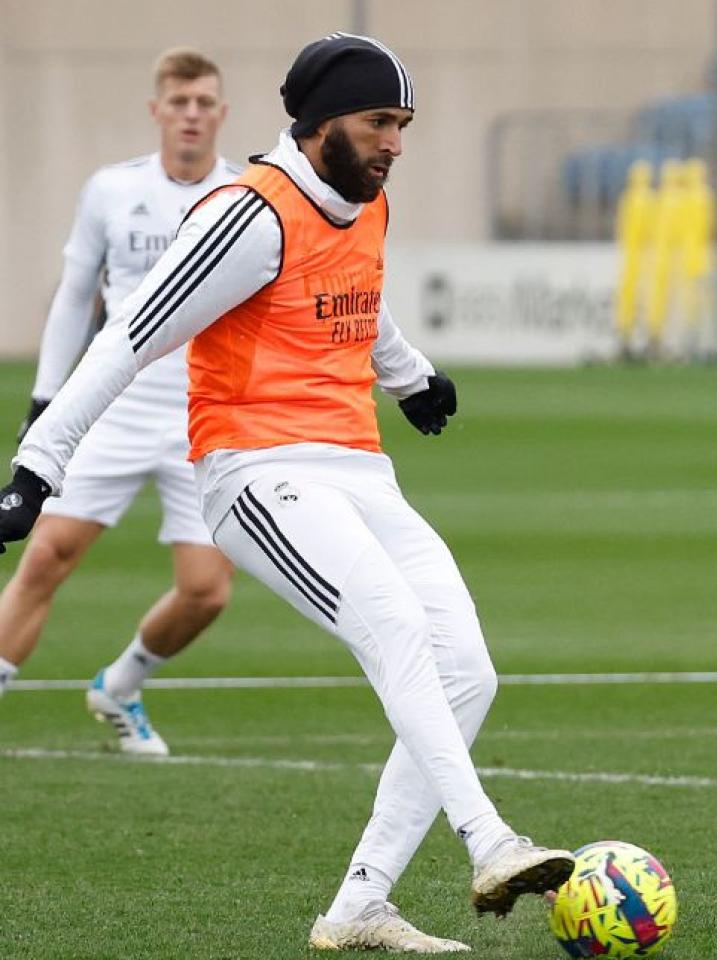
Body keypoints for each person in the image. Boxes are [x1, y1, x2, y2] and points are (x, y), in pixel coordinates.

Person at [0, 33, 575, 951]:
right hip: (254, 471)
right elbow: (125, 337)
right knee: (391, 622)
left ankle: (360, 907)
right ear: (317, 125)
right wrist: (40, 465)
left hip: (357, 466)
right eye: (378, 121)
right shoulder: (245, 216)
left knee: (469, 667)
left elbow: (360, 294)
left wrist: (412, 376)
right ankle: (491, 840)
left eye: (403, 124)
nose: (394, 142)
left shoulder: (363, 200)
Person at [0, 49, 240, 755]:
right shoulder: (112, 189)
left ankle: (120, 687)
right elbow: (76, 296)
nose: (191, 115)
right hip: (113, 403)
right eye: (180, 102)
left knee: (207, 592)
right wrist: (46, 399)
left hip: (202, 413)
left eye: (204, 103)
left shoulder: (245, 196)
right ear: (157, 110)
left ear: (221, 114)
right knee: (47, 552)